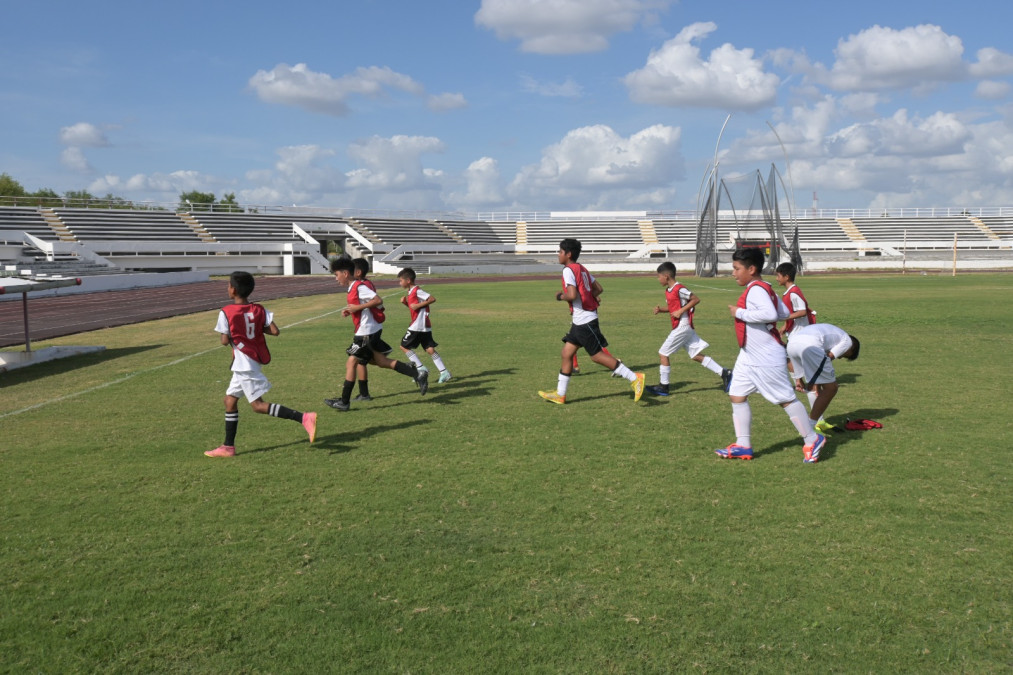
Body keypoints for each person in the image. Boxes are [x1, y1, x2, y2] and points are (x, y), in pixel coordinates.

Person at [715, 248, 826, 463]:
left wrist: (739, 313)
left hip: (765, 355)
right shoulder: (764, 287)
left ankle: (812, 439)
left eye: (737, 269)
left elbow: (771, 314)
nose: (733, 273)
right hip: (748, 354)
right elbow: (783, 313)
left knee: (785, 398)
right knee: (737, 394)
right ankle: (743, 445)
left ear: (752, 269)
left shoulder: (757, 289)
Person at [206, 271, 316, 457]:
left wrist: (235, 333)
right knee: (230, 401)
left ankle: (304, 417)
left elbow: (224, 341)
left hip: (244, 364)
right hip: (250, 361)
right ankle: (228, 447)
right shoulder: (259, 309)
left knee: (257, 406)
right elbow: (274, 331)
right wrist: (255, 328)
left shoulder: (226, 312)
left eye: (228, 285)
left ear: (232, 289)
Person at [538, 238, 645, 404]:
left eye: (560, 252)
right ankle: (560, 394)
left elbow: (572, 295)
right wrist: (589, 298)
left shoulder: (568, 270)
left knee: (596, 356)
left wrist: (560, 296)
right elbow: (599, 289)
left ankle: (635, 377)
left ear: (568, 254)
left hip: (585, 320)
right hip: (581, 319)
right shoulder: (582, 269)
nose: (558, 255)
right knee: (566, 353)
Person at [324, 256, 428, 411]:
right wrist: (350, 310)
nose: (336, 278)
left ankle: (344, 402)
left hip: (366, 332)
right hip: (370, 330)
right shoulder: (353, 288)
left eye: (336, 274)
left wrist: (357, 308)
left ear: (345, 273)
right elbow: (365, 306)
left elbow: (378, 300)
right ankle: (416, 373)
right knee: (380, 361)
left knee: (351, 362)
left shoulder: (359, 286)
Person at [646, 262, 732, 396]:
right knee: (695, 355)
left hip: (683, 326)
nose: (658, 279)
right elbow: (674, 308)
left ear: (666, 276)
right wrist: (661, 310)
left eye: (659, 276)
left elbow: (695, 299)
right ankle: (725, 373)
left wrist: (681, 311)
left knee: (663, 353)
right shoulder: (668, 291)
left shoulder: (679, 288)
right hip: (682, 326)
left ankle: (664, 386)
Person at [785, 323, 860, 434]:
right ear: (851, 349)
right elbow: (829, 357)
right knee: (831, 388)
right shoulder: (847, 342)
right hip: (810, 345)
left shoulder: (836, 336)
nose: (841, 357)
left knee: (814, 387)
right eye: (845, 356)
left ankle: (819, 422)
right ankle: (810, 427)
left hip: (792, 345)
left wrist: (798, 378)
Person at [775, 261, 819, 412]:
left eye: (778, 275)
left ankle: (805, 383)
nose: (776, 278)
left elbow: (801, 311)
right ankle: (800, 381)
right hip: (795, 332)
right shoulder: (790, 292)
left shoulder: (793, 292)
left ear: (786, 277)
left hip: (800, 334)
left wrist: (784, 318)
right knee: (788, 357)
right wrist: (785, 326)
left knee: (789, 357)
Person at [397, 267, 452, 383]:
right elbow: (415, 309)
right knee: (429, 349)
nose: (399, 283)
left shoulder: (417, 290)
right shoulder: (410, 292)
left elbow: (432, 299)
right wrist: (406, 303)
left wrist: (418, 305)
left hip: (418, 325)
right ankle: (444, 372)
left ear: (408, 280)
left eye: (401, 280)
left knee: (404, 346)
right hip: (424, 325)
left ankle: (420, 369)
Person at [350, 258, 378, 402]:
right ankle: (364, 394)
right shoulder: (366, 283)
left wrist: (356, 308)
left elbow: (376, 301)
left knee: (354, 361)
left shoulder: (362, 285)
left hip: (367, 328)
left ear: (358, 272)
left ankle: (416, 372)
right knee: (365, 361)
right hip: (369, 327)